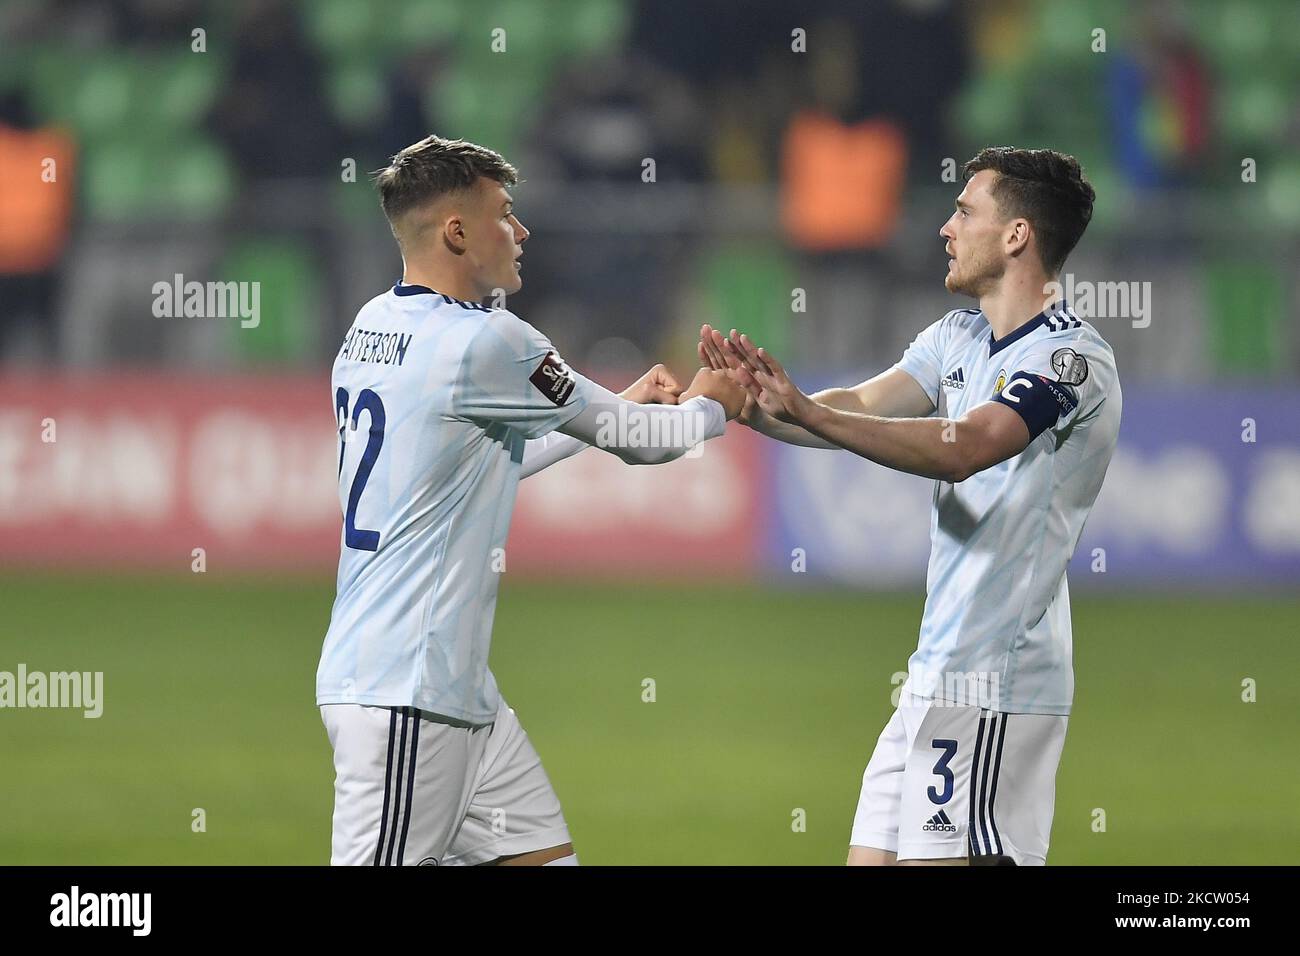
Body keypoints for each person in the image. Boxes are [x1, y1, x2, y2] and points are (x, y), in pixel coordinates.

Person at [318, 135, 745, 866]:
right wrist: (716, 406)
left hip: (452, 691)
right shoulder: (488, 341)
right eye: (505, 215)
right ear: (457, 231)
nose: (521, 233)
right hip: (406, 690)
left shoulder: (370, 327)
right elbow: (643, 442)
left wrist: (618, 403)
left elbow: (469, 472)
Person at [700, 147, 1119, 866]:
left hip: (997, 680)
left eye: (964, 211)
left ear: (1016, 235)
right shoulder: (956, 337)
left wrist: (808, 411)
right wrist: (759, 406)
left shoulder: (1068, 359)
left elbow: (968, 445)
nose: (945, 229)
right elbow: (859, 405)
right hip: (933, 674)